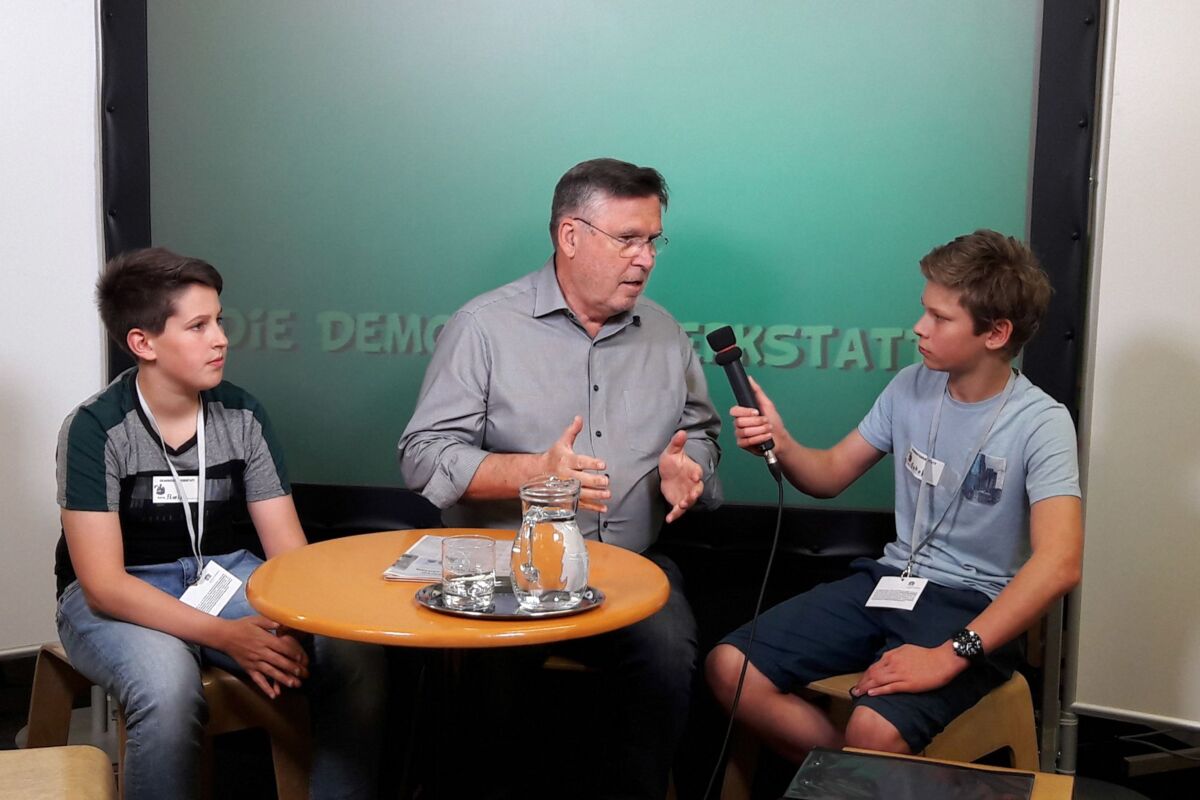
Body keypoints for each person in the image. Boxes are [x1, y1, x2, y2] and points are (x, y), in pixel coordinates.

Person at [398, 157, 722, 799]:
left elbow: (702, 435)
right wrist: (533, 472)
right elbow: (423, 456)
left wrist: (689, 470)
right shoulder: (484, 327)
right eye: (627, 239)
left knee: (668, 661)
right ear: (570, 236)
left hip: (626, 568)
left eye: (652, 240)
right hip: (503, 572)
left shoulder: (665, 334)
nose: (646, 259)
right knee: (487, 701)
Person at [706, 230, 1083, 762]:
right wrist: (783, 443)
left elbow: (1060, 562)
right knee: (730, 667)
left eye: (940, 318)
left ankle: (859, 775)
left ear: (996, 333)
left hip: (973, 605)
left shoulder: (1041, 422)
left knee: (873, 731)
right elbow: (828, 475)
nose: (919, 327)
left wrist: (951, 655)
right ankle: (851, 779)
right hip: (891, 582)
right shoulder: (909, 385)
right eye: (924, 310)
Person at [55, 248, 387, 800]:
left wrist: (301, 623)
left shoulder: (243, 415)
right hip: (120, 593)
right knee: (167, 689)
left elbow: (290, 557)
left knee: (352, 651)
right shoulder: (95, 429)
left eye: (219, 321)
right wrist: (228, 636)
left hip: (222, 575)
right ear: (143, 343)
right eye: (198, 326)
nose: (221, 339)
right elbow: (104, 585)